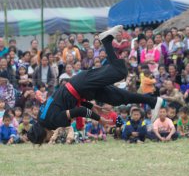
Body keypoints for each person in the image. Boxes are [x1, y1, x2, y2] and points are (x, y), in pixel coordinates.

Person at [27, 26, 163, 145]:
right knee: (118, 98)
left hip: (80, 85)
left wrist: (100, 120)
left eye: (44, 140)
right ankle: (152, 101)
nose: (48, 139)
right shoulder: (42, 116)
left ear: (42, 133)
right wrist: (92, 106)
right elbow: (66, 102)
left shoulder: (52, 120)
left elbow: (78, 111)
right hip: (80, 90)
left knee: (120, 72)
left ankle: (106, 40)